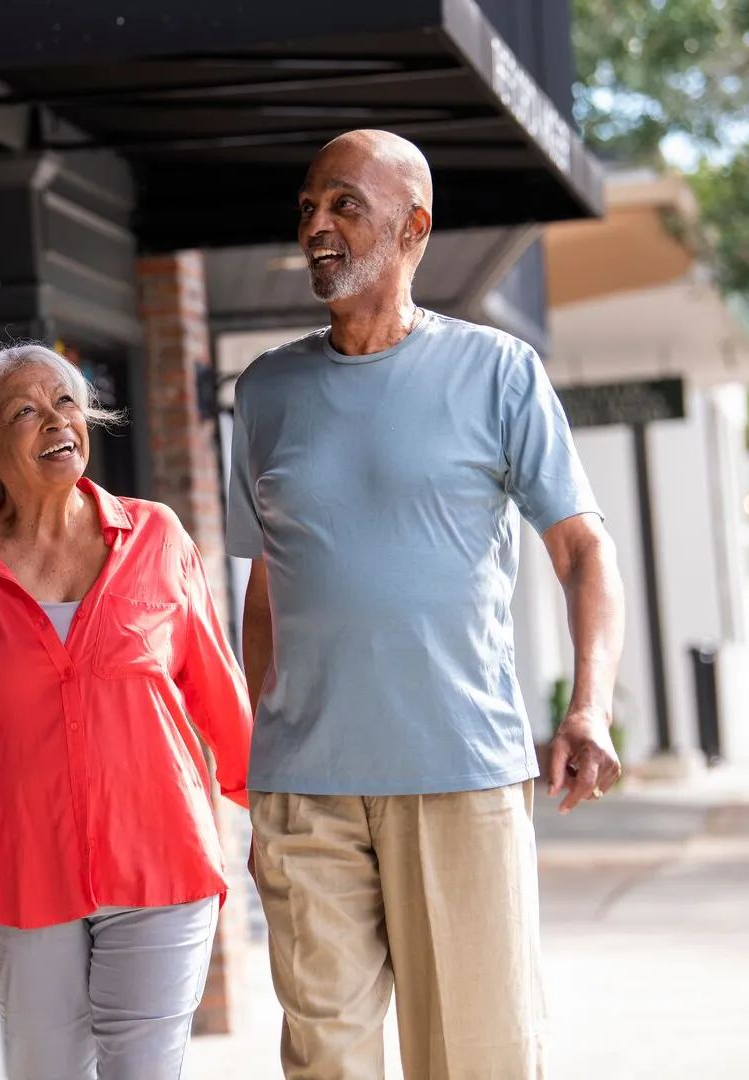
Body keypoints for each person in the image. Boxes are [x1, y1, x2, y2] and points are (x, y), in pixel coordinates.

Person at [229, 129, 626, 1080]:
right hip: (307, 793)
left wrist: (589, 705)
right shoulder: (267, 390)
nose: (317, 225)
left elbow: (583, 550)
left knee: (475, 1061)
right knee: (326, 1061)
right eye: (308, 207)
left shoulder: (498, 372)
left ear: (414, 228)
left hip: (458, 774)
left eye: (344, 206)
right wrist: (269, 742)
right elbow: (263, 584)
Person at [0, 344, 254, 1080]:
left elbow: (224, 705)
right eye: (25, 412)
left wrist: (287, 836)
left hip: (162, 864)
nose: (56, 421)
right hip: (22, 877)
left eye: (66, 402)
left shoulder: (157, 537)